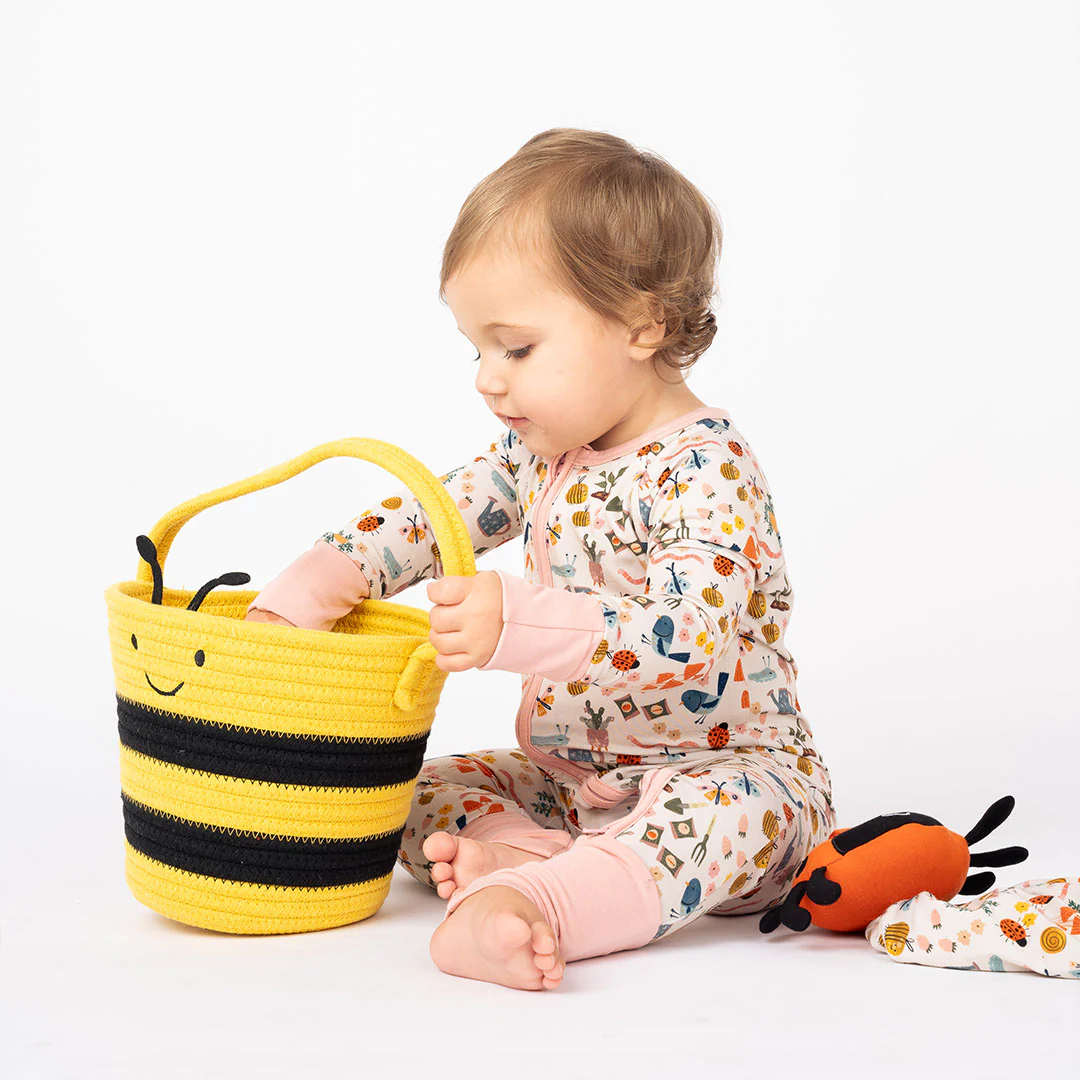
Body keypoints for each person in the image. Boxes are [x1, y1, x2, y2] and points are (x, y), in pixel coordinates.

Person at [245, 127, 838, 991]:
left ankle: (543, 908)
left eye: (516, 348)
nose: (487, 379)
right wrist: (316, 584)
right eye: (476, 350)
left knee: (719, 818)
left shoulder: (708, 469)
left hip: (727, 774)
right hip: (576, 784)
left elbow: (686, 636)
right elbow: (432, 515)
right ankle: (529, 860)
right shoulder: (542, 453)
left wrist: (513, 620)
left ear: (645, 324)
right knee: (405, 790)